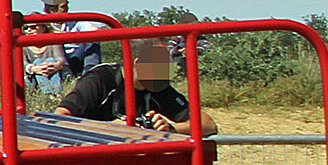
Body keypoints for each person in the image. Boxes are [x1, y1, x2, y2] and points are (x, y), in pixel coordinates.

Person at [58, 37, 219, 136]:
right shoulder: (100, 79)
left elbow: (208, 124)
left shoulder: (159, 88)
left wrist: (171, 129)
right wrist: (108, 128)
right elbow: (59, 117)